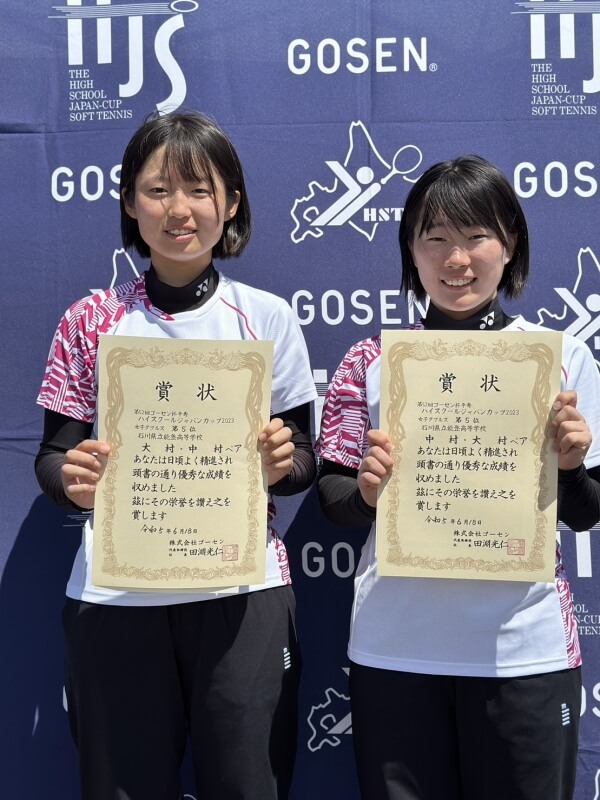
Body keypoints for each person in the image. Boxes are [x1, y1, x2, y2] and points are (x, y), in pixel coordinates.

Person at [35, 110, 317, 800]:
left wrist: (283, 463)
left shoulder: (268, 318)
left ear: (231, 203)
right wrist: (70, 480)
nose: (178, 209)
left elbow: (303, 457)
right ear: (131, 203)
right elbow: (53, 455)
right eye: (158, 190)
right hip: (115, 592)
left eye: (198, 189)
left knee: (249, 785)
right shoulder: (89, 320)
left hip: (241, 592)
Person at [316, 154, 600, 800]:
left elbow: (587, 511)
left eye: (476, 237)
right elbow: (333, 495)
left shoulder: (561, 358)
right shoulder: (370, 360)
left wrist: (569, 466)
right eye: (435, 238)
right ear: (410, 251)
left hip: (523, 652)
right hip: (395, 650)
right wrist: (367, 493)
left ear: (510, 244)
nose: (456, 259)